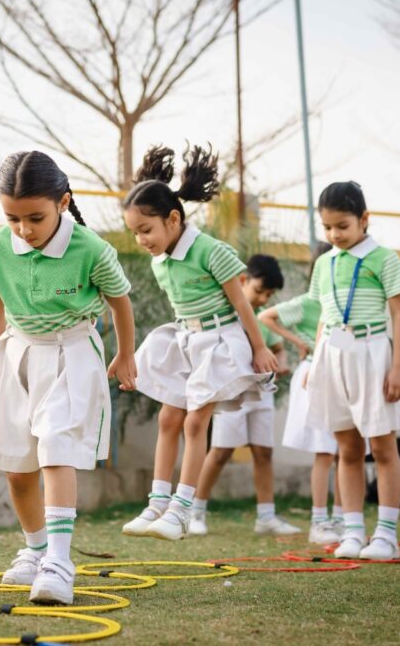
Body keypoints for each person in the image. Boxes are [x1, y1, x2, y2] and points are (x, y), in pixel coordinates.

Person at [0, 151, 137, 604]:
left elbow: (120, 301)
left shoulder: (90, 248)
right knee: (17, 467)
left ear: (63, 202)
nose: (24, 229)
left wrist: (125, 354)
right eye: (13, 218)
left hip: (71, 354)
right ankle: (36, 548)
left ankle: (60, 562)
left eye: (35, 218)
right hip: (18, 353)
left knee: (57, 449)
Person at [120, 144, 277, 541]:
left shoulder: (211, 251)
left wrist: (259, 348)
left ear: (173, 219)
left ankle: (182, 510)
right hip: (188, 339)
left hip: (221, 341)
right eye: (134, 232)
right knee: (169, 418)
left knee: (195, 421)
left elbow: (242, 304)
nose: (141, 240)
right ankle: (157, 503)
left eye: (146, 230)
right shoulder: (161, 262)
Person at [305, 181, 400, 561]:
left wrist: (398, 368)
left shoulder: (384, 258)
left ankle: (386, 536)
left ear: (364, 220)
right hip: (333, 356)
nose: (335, 235)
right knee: (346, 448)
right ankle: (353, 531)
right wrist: (313, 363)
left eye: (343, 226)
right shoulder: (324, 262)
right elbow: (324, 316)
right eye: (328, 227)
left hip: (373, 354)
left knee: (383, 447)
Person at [189, 254, 301, 537]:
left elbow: (276, 349)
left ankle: (266, 517)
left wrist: (282, 361)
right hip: (233, 390)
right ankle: (195, 511)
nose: (263, 299)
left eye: (269, 294)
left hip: (261, 392)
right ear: (243, 281)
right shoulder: (226, 313)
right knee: (221, 451)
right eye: (259, 291)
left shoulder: (262, 318)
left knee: (263, 452)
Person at [259, 241, 349, 544]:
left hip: (344, 377)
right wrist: (298, 341)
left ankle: (342, 519)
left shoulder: (348, 300)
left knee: (344, 451)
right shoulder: (311, 302)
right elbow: (266, 316)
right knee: (325, 451)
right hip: (314, 375)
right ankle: (319, 521)